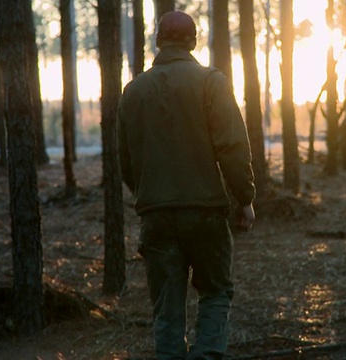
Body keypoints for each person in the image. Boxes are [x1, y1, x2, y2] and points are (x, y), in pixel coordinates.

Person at [116, 10, 256, 360]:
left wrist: (149, 198)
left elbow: (126, 161)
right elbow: (233, 146)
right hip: (206, 211)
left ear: (158, 42)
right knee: (215, 292)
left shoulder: (133, 91)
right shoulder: (211, 82)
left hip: (156, 216)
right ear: (193, 42)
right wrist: (245, 198)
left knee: (167, 307)